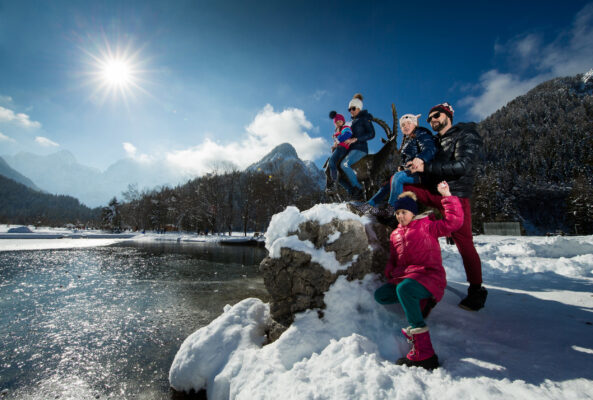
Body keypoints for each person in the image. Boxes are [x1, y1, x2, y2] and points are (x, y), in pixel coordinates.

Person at [406, 102, 487, 311]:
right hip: (435, 194)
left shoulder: (465, 135)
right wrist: (415, 169)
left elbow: (462, 166)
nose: (432, 119)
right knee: (400, 183)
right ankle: (388, 215)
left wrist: (427, 166)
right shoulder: (435, 142)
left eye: (436, 115)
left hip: (456, 197)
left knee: (465, 244)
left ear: (448, 115)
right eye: (430, 117)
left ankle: (477, 289)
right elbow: (430, 168)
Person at [374, 182, 463, 370]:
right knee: (381, 295)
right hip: (406, 277)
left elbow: (454, 222)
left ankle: (424, 353)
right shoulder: (395, 234)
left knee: (404, 289)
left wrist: (447, 196)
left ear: (413, 212)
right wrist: (390, 269)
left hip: (429, 275)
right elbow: (394, 257)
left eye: (404, 212)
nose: (400, 216)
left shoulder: (427, 226)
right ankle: (421, 303)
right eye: (398, 213)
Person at [356, 113, 436, 216]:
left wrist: (420, 158)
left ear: (415, 124)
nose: (405, 126)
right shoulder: (408, 141)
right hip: (412, 172)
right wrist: (393, 176)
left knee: (398, 178)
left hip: (424, 174)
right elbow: (404, 165)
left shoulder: (422, 134)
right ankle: (367, 206)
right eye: (403, 125)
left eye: (408, 123)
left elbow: (430, 148)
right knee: (389, 183)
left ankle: (391, 211)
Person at [337, 93, 375, 201]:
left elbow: (371, 134)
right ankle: (352, 193)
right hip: (351, 150)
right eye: (349, 109)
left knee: (344, 165)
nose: (351, 111)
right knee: (337, 173)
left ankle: (358, 189)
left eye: (353, 108)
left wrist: (356, 139)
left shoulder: (364, 119)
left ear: (359, 108)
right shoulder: (352, 122)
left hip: (360, 149)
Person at [326, 111, 353, 194]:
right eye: (336, 122)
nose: (338, 123)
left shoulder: (345, 128)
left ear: (343, 121)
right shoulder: (337, 132)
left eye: (340, 121)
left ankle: (334, 183)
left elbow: (348, 134)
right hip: (340, 148)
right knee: (334, 170)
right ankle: (351, 190)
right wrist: (334, 146)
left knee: (331, 162)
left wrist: (338, 140)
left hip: (342, 149)